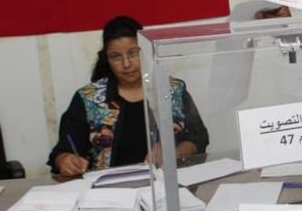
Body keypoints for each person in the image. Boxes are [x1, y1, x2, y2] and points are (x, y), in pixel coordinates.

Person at [48, 15, 208, 175]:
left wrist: (175, 152)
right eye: (116, 56)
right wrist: (65, 160)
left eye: (133, 53)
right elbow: (63, 150)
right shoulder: (88, 99)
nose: (126, 64)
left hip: (167, 184)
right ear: (107, 58)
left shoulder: (172, 90)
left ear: (145, 51)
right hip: (109, 193)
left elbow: (198, 137)